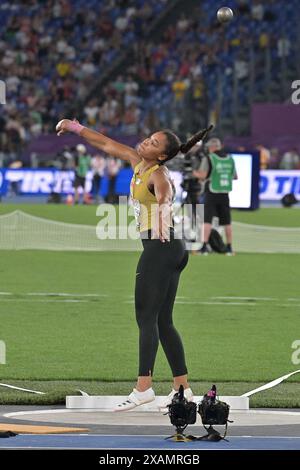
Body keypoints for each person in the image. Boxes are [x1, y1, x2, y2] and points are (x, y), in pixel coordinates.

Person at [56, 118, 211, 411]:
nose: (146, 142)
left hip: (161, 247)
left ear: (162, 155)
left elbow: (165, 197)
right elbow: (104, 143)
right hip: (170, 249)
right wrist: (76, 129)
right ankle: (182, 389)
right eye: (149, 137)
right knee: (163, 322)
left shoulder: (159, 174)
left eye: (153, 143)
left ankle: (143, 388)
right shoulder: (137, 161)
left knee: (146, 318)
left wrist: (164, 215)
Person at [193, 137, 237, 255]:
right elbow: (235, 176)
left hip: (211, 192)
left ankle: (204, 247)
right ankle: (229, 247)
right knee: (227, 222)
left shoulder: (209, 158)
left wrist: (193, 172)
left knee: (207, 220)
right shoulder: (230, 159)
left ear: (211, 147)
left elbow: (202, 175)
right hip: (224, 193)